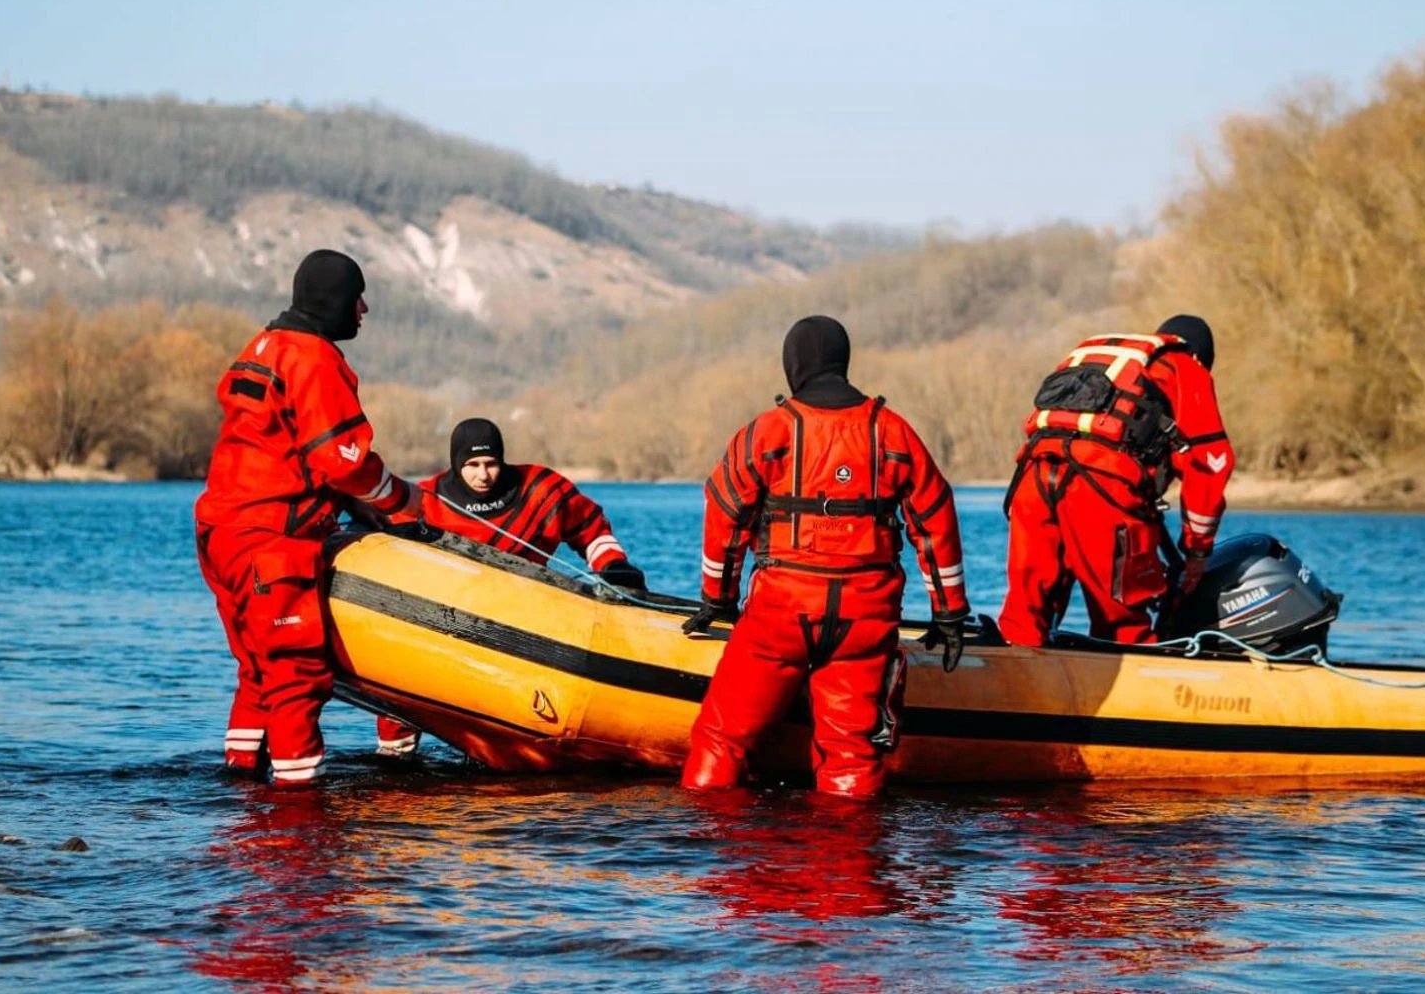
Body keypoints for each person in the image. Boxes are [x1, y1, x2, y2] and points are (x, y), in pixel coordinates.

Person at [679, 315, 970, 799]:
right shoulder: (893, 432)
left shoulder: (767, 432)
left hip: (781, 616)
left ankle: (709, 852)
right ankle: (850, 862)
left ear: (792, 365)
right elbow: (935, 517)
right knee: (852, 751)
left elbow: (724, 516)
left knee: (722, 740)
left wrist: (717, 599)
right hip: (864, 618)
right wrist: (949, 612)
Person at [195, 249, 422, 786]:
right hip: (271, 541)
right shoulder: (314, 359)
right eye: (357, 297)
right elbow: (340, 459)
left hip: (219, 531)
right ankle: (298, 832)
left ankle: (241, 790)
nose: (363, 309)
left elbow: (284, 450)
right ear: (335, 300)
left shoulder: (265, 345)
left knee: (258, 673)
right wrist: (397, 503)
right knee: (296, 676)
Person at [372, 416, 645, 758]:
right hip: (446, 621)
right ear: (457, 464)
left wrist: (614, 566)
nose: (483, 475)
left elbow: (591, 529)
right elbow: (382, 542)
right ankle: (394, 757)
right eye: (471, 465)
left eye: (491, 464)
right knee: (400, 668)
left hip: (523, 620)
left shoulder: (541, 490)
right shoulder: (424, 500)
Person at [997, 314, 1235, 647]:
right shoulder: (1186, 365)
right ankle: (1137, 686)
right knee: (1122, 621)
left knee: (1027, 608)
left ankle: (1012, 675)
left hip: (1033, 477)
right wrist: (1196, 553)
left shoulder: (1094, 351)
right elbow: (1210, 464)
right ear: (1199, 356)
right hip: (1100, 483)